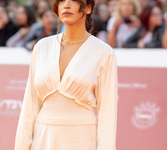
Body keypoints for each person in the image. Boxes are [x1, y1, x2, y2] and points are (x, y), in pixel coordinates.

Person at [15, 0, 118, 150]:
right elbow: (29, 107)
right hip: (43, 137)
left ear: (88, 8)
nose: (67, 5)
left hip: (81, 139)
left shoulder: (103, 53)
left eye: (74, 0)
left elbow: (107, 115)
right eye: (62, 0)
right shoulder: (42, 48)